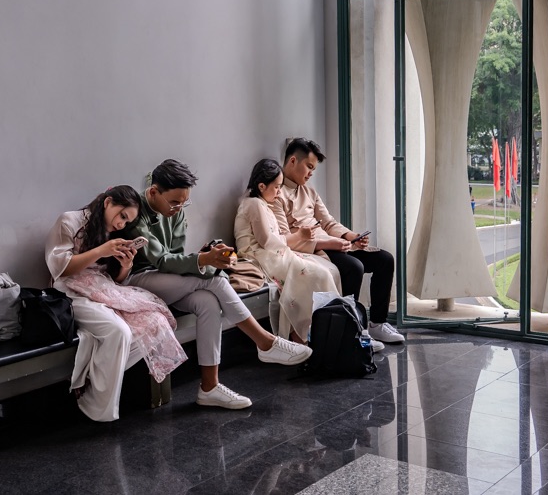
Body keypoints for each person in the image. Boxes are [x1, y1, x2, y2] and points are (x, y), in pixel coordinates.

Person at [120, 159, 312, 410]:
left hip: (167, 280)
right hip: (137, 280)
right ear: (154, 192)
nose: (179, 208)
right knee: (213, 279)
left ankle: (209, 387)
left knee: (208, 302)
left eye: (184, 202)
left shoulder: (176, 211)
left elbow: (176, 255)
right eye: (174, 202)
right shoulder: (136, 211)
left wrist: (207, 255)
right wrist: (204, 261)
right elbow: (162, 260)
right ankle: (265, 342)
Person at [45, 186, 186, 422]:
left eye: (127, 221)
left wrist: (125, 266)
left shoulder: (111, 233)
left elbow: (115, 279)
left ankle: (92, 380)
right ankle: (98, 408)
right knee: (119, 331)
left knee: (156, 322)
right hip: (69, 292)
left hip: (103, 288)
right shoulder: (69, 221)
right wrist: (101, 250)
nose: (121, 224)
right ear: (108, 202)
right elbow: (60, 268)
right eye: (122, 216)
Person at [273, 138, 405, 346]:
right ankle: (352, 330)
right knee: (354, 267)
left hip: (332, 243)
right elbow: (285, 238)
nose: (311, 173)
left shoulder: (309, 192)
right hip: (314, 250)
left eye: (313, 169)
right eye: (309, 167)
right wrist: (329, 244)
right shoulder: (276, 194)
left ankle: (377, 324)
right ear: (292, 161)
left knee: (385, 259)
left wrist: (351, 236)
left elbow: (328, 222)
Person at [234, 158, 342, 344]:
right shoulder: (254, 204)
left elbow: (273, 240)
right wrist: (299, 235)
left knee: (324, 271)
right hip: (258, 256)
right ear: (261, 186)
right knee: (319, 275)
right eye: (276, 187)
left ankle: (317, 332)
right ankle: (314, 334)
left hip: (270, 253)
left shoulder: (262, 204)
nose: (279, 192)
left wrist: (299, 237)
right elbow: (267, 241)